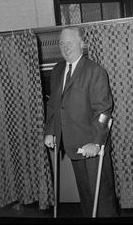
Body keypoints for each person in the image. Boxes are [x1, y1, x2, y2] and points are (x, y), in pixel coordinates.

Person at [44, 26, 117, 218]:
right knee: (86, 196)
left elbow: (104, 111)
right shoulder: (58, 70)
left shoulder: (95, 71)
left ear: (82, 44)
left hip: (91, 145)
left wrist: (97, 142)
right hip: (72, 144)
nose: (65, 47)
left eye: (70, 43)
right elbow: (54, 105)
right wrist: (50, 130)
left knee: (102, 198)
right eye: (62, 43)